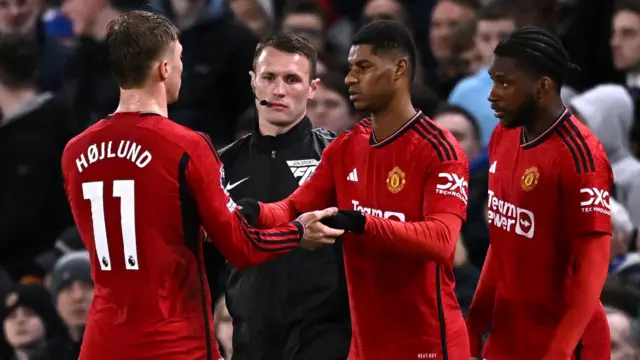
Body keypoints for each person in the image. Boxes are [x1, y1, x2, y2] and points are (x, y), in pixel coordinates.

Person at [60, 10, 343, 360]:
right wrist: (296, 232)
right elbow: (239, 246)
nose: (182, 68)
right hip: (173, 339)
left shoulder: (75, 151)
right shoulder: (186, 146)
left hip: (102, 340)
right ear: (164, 69)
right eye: (179, 59)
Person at [238, 20, 470, 359]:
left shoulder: (438, 149)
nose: (349, 79)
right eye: (350, 68)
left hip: (428, 345)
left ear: (399, 69)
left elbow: (442, 241)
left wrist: (362, 222)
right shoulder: (346, 147)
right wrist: (250, 211)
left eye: (363, 67)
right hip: (365, 347)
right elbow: (292, 208)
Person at [465, 27, 613, 360]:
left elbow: (592, 266)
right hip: (508, 335)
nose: (492, 95)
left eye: (505, 83)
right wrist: (475, 322)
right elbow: (502, 241)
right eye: (493, 80)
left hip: (568, 340)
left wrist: (561, 349)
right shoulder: (502, 137)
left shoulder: (581, 156)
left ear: (543, 86)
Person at [212, 33, 351, 360]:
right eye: (269, 77)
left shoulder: (338, 157)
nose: (279, 90)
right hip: (251, 337)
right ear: (252, 82)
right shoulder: (220, 165)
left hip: (326, 338)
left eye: (292, 79)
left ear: (312, 88)